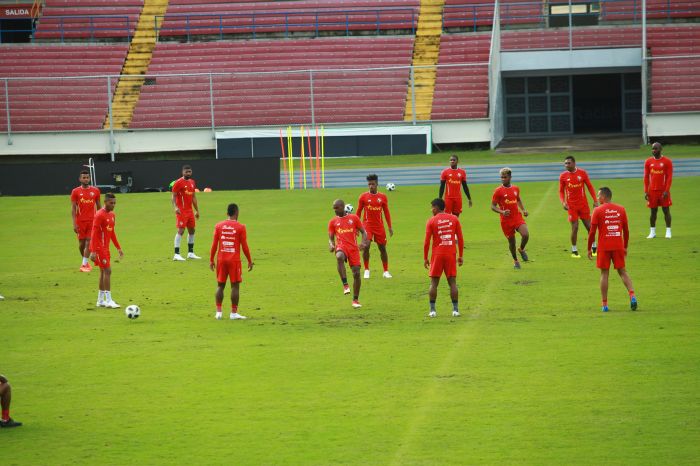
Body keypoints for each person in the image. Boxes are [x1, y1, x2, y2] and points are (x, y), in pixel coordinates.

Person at [587, 187, 637, 312]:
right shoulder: (621, 209)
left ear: (603, 197)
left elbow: (592, 232)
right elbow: (626, 230)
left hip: (604, 247)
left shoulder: (597, 211)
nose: (597, 198)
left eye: (599, 196)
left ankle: (604, 304)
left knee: (604, 274)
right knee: (623, 272)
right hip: (618, 245)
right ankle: (632, 295)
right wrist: (625, 246)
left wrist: (589, 248)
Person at [210, 203, 253, 320]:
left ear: (227, 213)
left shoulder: (218, 226)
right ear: (237, 212)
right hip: (234, 260)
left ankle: (218, 312)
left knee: (220, 285)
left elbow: (214, 244)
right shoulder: (240, 227)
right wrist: (249, 260)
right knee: (235, 287)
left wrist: (211, 260)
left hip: (221, 259)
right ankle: (233, 313)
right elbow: (245, 246)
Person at [423, 198, 464, 318]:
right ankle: (455, 310)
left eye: (432, 208)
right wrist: (460, 255)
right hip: (451, 253)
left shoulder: (431, 221)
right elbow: (460, 239)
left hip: (437, 254)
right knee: (452, 283)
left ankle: (432, 311)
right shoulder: (454, 219)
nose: (431, 210)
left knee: (434, 283)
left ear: (436, 207)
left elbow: (426, 242)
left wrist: (425, 258)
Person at [328, 199, 369, 309]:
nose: (335, 210)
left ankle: (355, 300)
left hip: (353, 249)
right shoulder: (333, 222)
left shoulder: (354, 218)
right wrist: (332, 245)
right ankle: (345, 284)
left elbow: (363, 232)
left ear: (342, 207)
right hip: (341, 246)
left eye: (337, 208)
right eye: (334, 208)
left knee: (356, 274)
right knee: (339, 256)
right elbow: (331, 238)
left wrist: (364, 243)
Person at [559, 156, 598, 258]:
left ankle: (594, 247)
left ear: (574, 163)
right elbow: (561, 191)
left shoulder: (582, 173)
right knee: (575, 227)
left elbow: (589, 186)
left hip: (583, 205)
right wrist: (563, 202)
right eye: (565, 163)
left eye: (568, 163)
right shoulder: (563, 176)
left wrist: (595, 200)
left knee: (589, 227)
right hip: (571, 206)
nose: (566, 165)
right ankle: (574, 250)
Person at [90, 193, 123, 308]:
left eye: (114, 203)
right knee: (108, 271)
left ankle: (100, 300)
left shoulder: (112, 215)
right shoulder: (99, 215)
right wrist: (93, 251)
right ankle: (109, 300)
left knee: (103, 272)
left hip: (106, 248)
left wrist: (118, 247)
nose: (113, 205)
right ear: (105, 202)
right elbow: (93, 233)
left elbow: (112, 232)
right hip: (99, 248)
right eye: (111, 203)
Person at [491, 167, 529, 269]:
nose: (503, 179)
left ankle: (521, 249)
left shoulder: (516, 188)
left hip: (517, 217)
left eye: (505, 177)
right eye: (501, 177)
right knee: (512, 242)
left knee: (525, 234)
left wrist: (523, 209)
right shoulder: (498, 191)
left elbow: (518, 199)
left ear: (510, 177)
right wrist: (502, 212)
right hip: (506, 221)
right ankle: (515, 260)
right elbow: (492, 206)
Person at [356, 174, 394, 279]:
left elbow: (386, 212)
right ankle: (367, 270)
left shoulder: (382, 197)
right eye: (369, 184)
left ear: (377, 184)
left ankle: (385, 271)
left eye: (373, 184)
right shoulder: (363, 197)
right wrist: (356, 227)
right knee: (366, 246)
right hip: (367, 225)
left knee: (382, 248)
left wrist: (390, 227)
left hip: (379, 226)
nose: (371, 186)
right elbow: (358, 212)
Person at [70, 170, 101, 272]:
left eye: (87, 177)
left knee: (88, 242)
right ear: (80, 179)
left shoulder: (95, 191)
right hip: (80, 222)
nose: (86, 179)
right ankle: (85, 261)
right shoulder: (75, 192)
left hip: (92, 221)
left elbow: (99, 207)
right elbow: (73, 209)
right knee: (81, 244)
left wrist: (101, 220)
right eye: (84, 177)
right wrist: (74, 223)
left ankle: (83, 265)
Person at [171, 165, 201, 261]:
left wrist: (197, 210)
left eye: (190, 171)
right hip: (181, 211)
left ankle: (190, 253)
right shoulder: (178, 183)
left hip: (190, 211)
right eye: (186, 172)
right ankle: (176, 254)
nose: (188, 173)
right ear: (182, 172)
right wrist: (175, 207)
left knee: (192, 231)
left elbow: (193, 197)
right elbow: (173, 196)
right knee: (181, 231)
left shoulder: (192, 182)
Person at [644, 142, 673, 239]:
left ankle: (668, 231)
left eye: (656, 149)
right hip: (652, 191)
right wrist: (646, 191)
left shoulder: (667, 161)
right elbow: (646, 177)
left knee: (666, 210)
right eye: (652, 149)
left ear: (661, 149)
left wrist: (666, 190)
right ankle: (652, 232)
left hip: (663, 191)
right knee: (653, 212)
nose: (653, 151)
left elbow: (669, 177)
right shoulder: (648, 162)